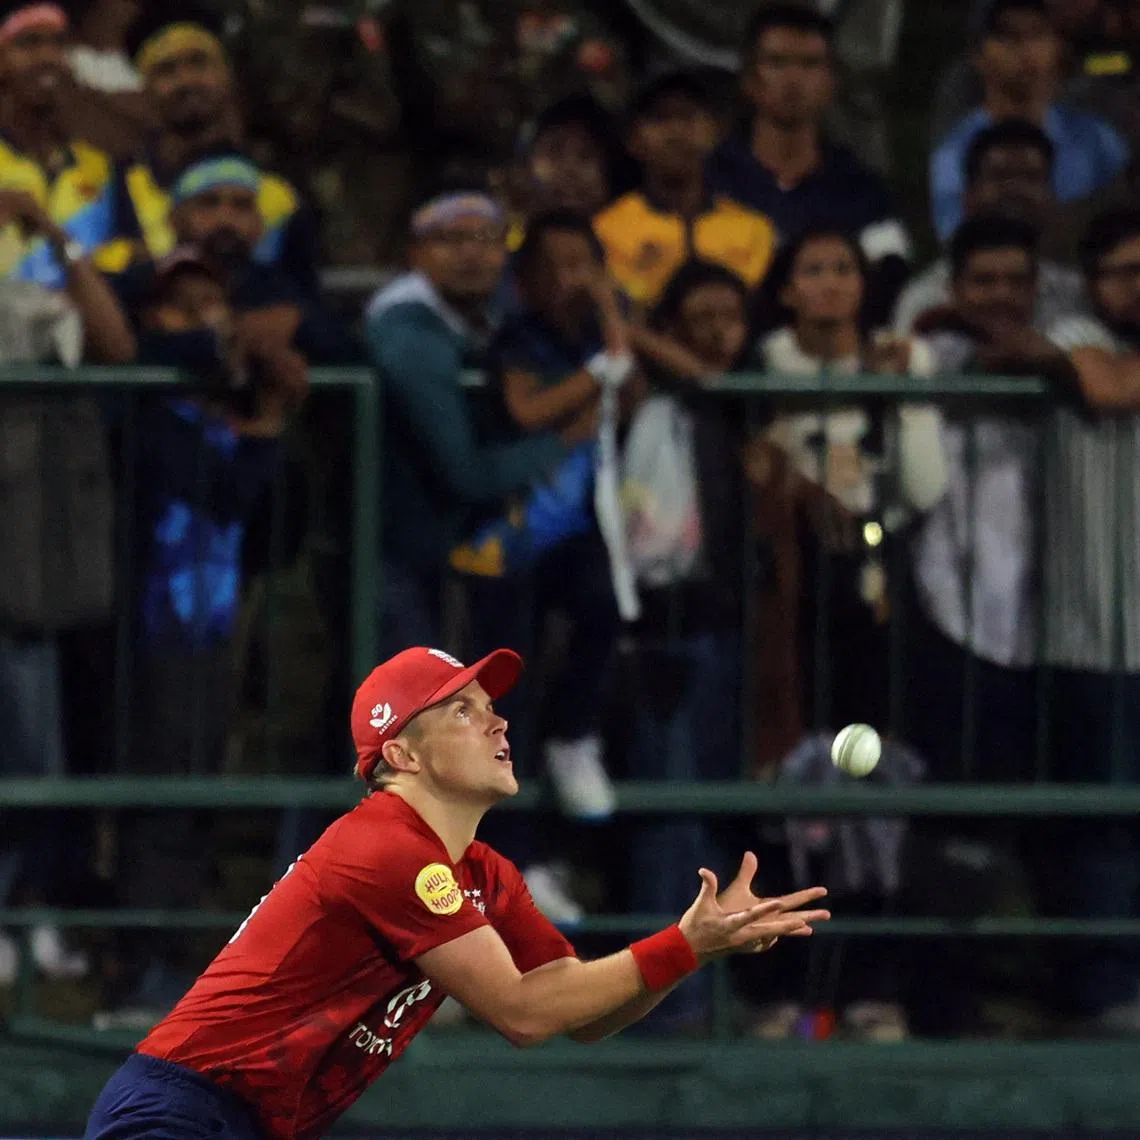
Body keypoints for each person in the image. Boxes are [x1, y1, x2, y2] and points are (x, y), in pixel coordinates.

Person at [84, 645, 830, 1139]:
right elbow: (524, 1013)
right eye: (462, 710)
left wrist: (694, 952)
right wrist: (681, 944)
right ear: (400, 753)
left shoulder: (484, 873)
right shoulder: (384, 846)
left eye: (491, 704)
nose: (498, 720)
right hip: (180, 1108)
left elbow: (580, 1010)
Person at [748, 227, 946, 763]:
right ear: (786, 291)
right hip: (793, 560)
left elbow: (925, 487)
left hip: (880, 549)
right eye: (813, 271)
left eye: (844, 269)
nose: (831, 284)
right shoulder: (767, 357)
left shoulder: (900, 355)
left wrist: (895, 396)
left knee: (880, 704)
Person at [618, 260, 753, 1030]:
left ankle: (703, 998)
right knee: (668, 815)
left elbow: (714, 383)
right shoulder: (647, 402)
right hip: (653, 630)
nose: (716, 334)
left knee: (712, 816)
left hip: (728, 632)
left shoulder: (744, 400)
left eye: (729, 316)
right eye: (697, 317)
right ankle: (662, 1004)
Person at [1043, 206, 1140, 1031]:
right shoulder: (1073, 326)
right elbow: (1110, 389)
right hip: (1097, 635)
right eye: (1124, 271)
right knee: (1105, 828)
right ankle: (1105, 993)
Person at [708, 3, 910, 326]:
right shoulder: (712, 179)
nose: (793, 79)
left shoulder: (862, 189)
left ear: (832, 82)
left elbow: (888, 283)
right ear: (748, 80)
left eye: (810, 64)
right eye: (777, 63)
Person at [109, 13, 320, 298]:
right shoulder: (119, 187)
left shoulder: (278, 192)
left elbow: (306, 295)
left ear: (226, 76)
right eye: (167, 70)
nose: (186, 81)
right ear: (144, 88)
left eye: (199, 63)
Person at [930, 0, 1129, 243]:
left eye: (1038, 33)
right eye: (1008, 36)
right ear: (978, 56)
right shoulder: (955, 152)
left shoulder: (1098, 140)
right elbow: (953, 239)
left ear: (1059, 48)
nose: (1025, 49)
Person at [594, 71, 776, 308]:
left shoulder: (753, 230)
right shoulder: (606, 231)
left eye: (688, 116)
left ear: (716, 131)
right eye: (660, 119)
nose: (676, 132)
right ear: (633, 139)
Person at [894, 118, 1083, 334]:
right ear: (968, 197)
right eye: (999, 176)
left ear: (1051, 198)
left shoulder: (1076, 293)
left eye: (1031, 178)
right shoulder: (926, 296)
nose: (1015, 190)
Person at [0, 1, 131, 285]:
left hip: (91, 320)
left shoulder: (100, 166)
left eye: (58, 44)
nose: (47, 56)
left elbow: (136, 257)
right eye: (28, 44)